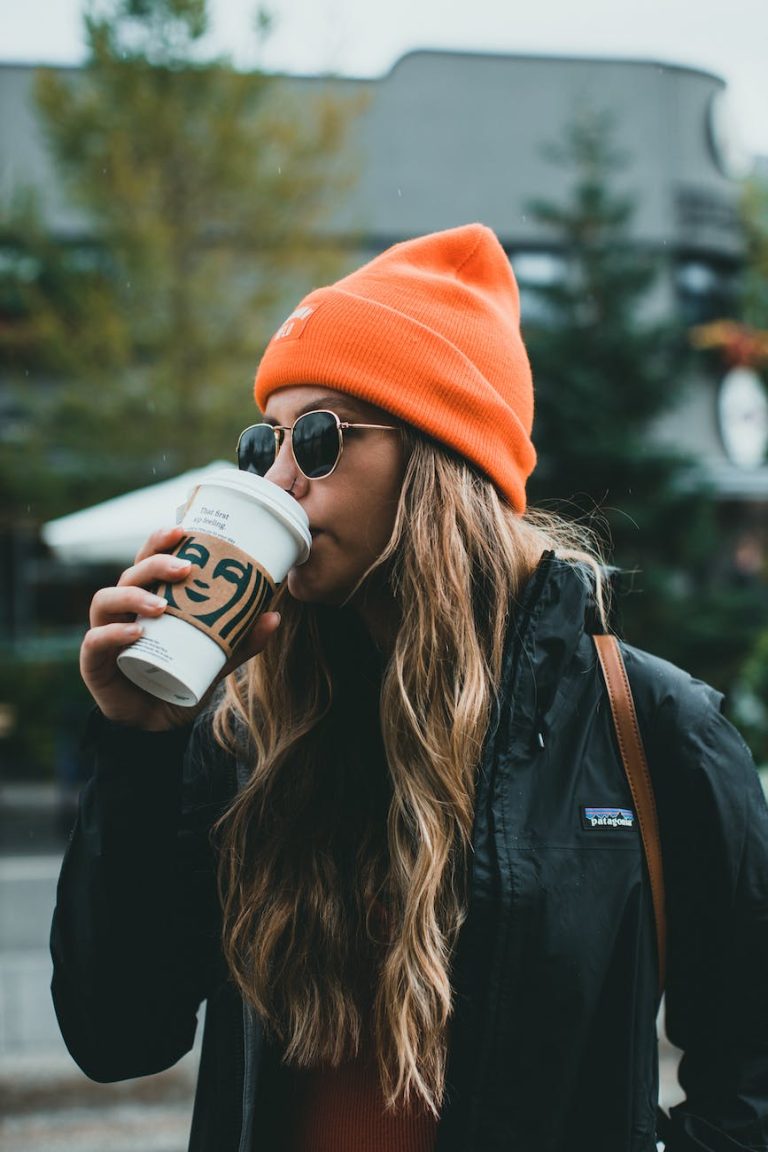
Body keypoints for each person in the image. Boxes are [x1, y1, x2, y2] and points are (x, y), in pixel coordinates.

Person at [50, 224, 768, 1152]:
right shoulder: (249, 731)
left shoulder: (650, 727)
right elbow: (118, 1038)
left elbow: (751, 1076)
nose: (278, 478)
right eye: (262, 440)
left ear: (438, 459)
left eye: (316, 438)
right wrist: (141, 744)